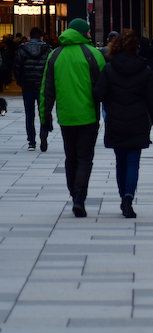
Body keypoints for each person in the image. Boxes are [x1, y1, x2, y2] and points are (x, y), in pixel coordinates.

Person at [93, 29, 153, 218]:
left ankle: (121, 196)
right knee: (133, 162)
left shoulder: (109, 69)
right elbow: (152, 103)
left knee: (120, 161)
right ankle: (128, 197)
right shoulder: (145, 70)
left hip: (115, 120)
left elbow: (99, 93)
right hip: (139, 121)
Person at [40, 18, 106, 217]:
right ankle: (80, 195)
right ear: (84, 33)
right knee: (85, 158)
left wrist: (45, 118)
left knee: (71, 157)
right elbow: (103, 86)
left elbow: (46, 91)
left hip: (66, 117)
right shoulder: (93, 54)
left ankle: (73, 191)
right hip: (88, 117)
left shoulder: (54, 56)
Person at [13, 27, 52, 151]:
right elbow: (51, 68)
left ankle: (31, 141)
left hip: (27, 86)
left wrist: (20, 82)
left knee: (29, 114)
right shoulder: (48, 49)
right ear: (41, 37)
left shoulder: (22, 49)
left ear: (29, 37)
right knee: (43, 113)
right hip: (42, 86)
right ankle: (43, 131)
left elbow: (17, 68)